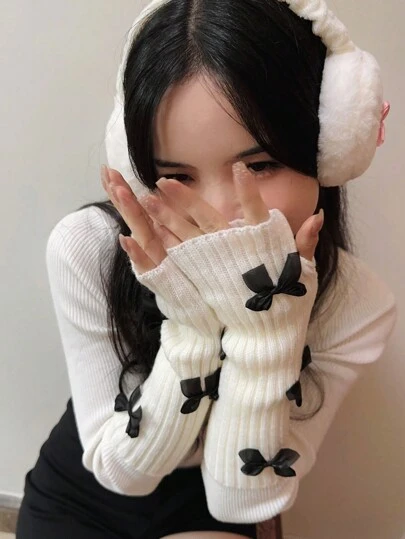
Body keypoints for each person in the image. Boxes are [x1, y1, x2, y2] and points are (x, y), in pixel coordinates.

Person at [16, 0, 397, 538]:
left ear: (328, 151)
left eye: (259, 165)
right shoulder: (90, 247)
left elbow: (239, 500)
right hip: (93, 481)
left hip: (213, 495)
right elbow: (123, 474)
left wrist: (263, 333)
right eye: (177, 176)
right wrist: (192, 329)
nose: (220, 216)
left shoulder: (356, 303)